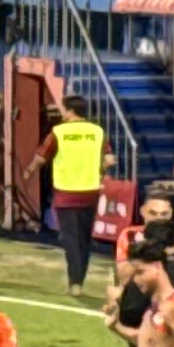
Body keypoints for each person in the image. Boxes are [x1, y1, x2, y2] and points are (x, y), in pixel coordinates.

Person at [43, 93, 108, 290]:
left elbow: (42, 155)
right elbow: (107, 157)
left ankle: (75, 280)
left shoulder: (58, 132)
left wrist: (29, 170)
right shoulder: (97, 131)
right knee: (84, 238)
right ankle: (79, 278)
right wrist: (102, 171)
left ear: (70, 111)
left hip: (66, 192)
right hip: (89, 192)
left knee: (70, 237)